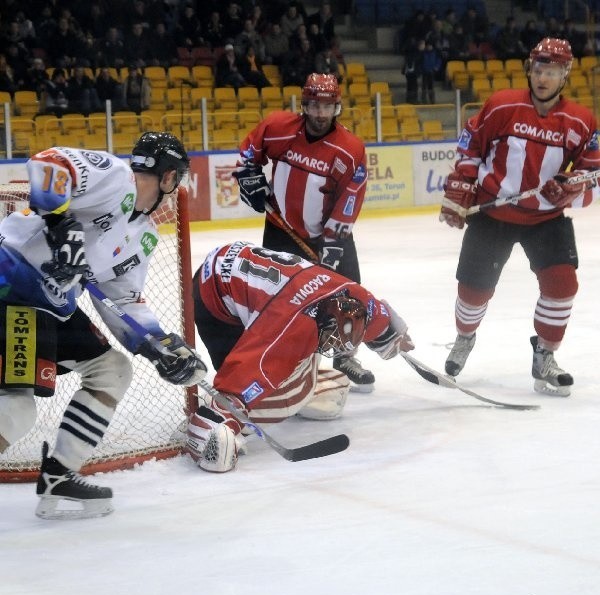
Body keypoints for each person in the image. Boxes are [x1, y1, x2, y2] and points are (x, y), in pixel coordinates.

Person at [0, 132, 207, 519]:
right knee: (15, 409)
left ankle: (59, 474)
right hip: (12, 280)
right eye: (177, 177)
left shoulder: (143, 237)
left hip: (50, 305)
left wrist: (161, 344)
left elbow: (123, 300)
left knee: (111, 370)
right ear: (168, 178)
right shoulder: (114, 177)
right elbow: (48, 163)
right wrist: (61, 224)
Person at [439, 38, 600, 397]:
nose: (543, 78)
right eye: (539, 70)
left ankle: (545, 355)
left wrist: (571, 187)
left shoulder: (581, 120)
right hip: (494, 211)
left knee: (562, 285)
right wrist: (461, 183)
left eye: (552, 72)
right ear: (530, 70)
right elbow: (470, 144)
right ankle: (464, 338)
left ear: (565, 75)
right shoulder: (502, 105)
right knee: (473, 291)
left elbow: (593, 174)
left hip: (546, 218)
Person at [186, 241, 414, 472]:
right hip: (213, 297)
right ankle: (209, 409)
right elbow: (256, 368)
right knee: (287, 397)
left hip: (237, 267)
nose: (332, 344)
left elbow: (374, 311)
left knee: (309, 383)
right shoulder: (291, 328)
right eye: (331, 337)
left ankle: (305, 387)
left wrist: (387, 334)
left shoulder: (350, 294)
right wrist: (222, 414)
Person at [232, 73, 373, 392]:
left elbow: (351, 197)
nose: (320, 114)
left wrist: (334, 244)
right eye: (314, 106)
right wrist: (250, 179)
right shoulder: (278, 128)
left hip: (328, 235)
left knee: (348, 295)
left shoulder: (350, 149)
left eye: (327, 107)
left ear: (337, 107)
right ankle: (283, 363)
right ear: (304, 105)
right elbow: (248, 154)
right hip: (282, 231)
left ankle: (345, 355)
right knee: (283, 301)